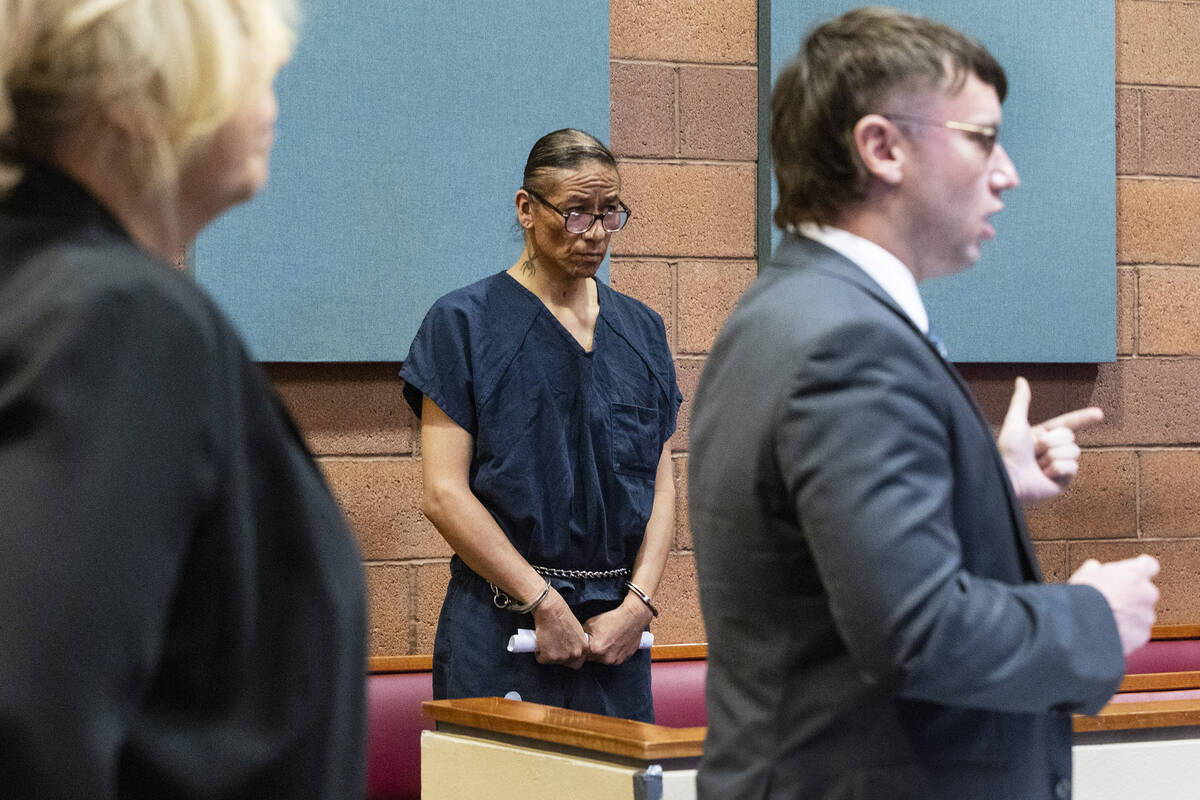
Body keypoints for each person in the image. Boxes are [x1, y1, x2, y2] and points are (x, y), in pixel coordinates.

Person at [689, 8, 1160, 799]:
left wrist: (984, 479)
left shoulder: (788, 310)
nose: (1006, 173)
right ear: (882, 148)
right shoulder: (850, 343)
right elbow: (916, 631)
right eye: (982, 138)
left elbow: (822, 546)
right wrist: (1091, 618)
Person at [0, 2, 367, 797]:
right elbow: (30, 718)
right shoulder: (118, 318)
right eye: (251, 64)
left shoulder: (38, 281)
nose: (273, 86)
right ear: (136, 91)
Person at [400, 128, 680, 722]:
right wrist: (542, 601)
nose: (596, 233)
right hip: (503, 627)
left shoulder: (643, 330)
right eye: (576, 213)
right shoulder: (463, 324)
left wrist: (639, 604)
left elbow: (660, 485)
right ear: (527, 209)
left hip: (616, 633)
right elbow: (443, 494)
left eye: (610, 212)